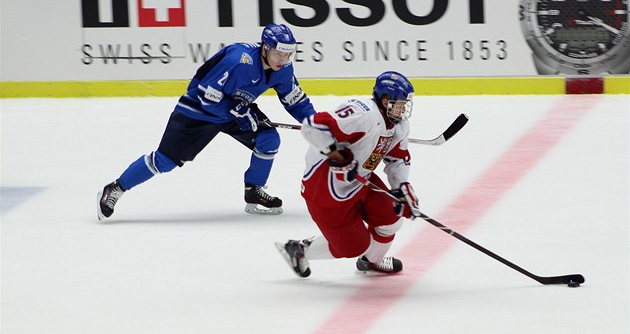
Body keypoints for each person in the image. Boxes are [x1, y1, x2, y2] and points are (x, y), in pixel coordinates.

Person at [97, 23, 316, 220]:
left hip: (235, 109)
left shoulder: (283, 69)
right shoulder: (239, 60)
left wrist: (317, 122)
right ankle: (116, 187)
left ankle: (253, 189)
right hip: (198, 111)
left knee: (268, 138)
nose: (283, 60)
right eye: (278, 54)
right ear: (265, 48)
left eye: (287, 55)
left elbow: (295, 101)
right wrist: (238, 112)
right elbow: (204, 94)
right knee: (164, 161)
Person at [275, 71, 421, 277]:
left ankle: (372, 261)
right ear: (385, 100)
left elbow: (397, 159)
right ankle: (299, 250)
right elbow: (312, 126)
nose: (404, 109)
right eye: (400, 104)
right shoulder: (362, 114)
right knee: (354, 247)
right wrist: (336, 155)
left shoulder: (399, 126)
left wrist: (402, 187)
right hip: (325, 188)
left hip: (361, 180)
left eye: (406, 104)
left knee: (392, 218)